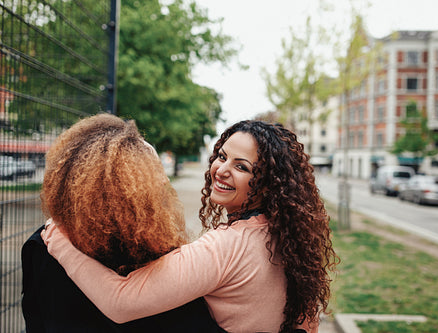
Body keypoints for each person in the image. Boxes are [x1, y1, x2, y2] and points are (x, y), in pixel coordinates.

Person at [42, 120, 340, 333]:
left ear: (269, 184)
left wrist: (59, 244)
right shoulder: (289, 237)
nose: (221, 170)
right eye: (222, 156)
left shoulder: (226, 247)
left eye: (241, 167)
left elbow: (121, 302)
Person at [22, 113, 225, 332]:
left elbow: (35, 319)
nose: (164, 180)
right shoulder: (152, 252)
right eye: (155, 171)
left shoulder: (42, 244)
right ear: (135, 186)